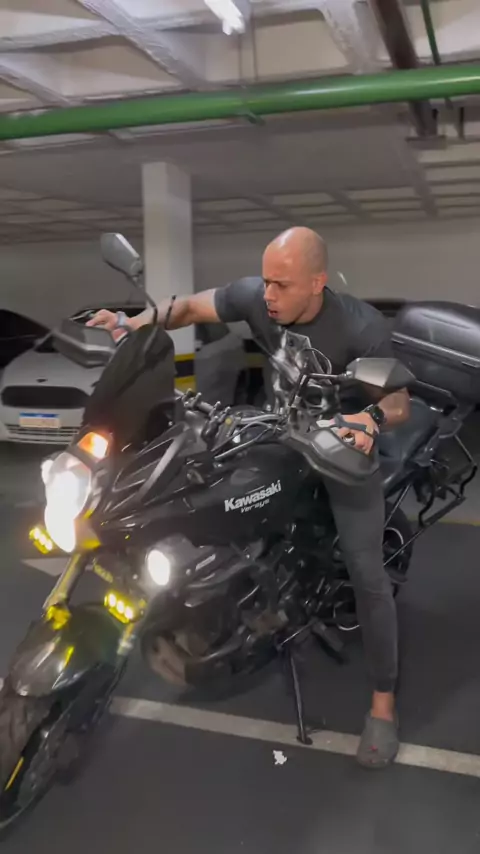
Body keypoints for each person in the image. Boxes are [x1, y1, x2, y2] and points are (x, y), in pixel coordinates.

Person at [87, 226, 410, 768]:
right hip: (276, 434)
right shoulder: (257, 298)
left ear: (317, 282)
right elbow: (190, 308)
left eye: (282, 285)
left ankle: (383, 704)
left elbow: (399, 403)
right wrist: (135, 322)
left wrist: (371, 418)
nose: (269, 296)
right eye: (265, 282)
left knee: (367, 573)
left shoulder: (361, 326)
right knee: (205, 495)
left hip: (342, 453)